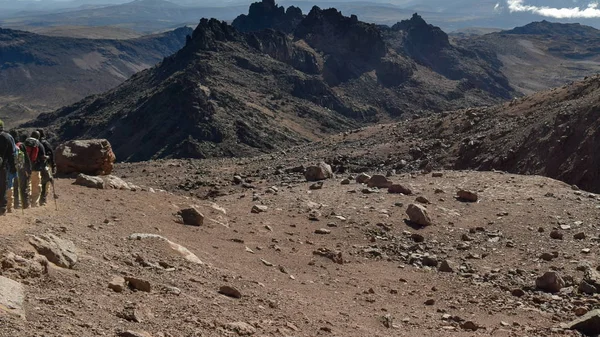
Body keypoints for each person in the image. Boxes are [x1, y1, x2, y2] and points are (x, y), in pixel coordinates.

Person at [11, 131, 32, 210]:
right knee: (23, 187)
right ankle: (25, 204)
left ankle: (16, 204)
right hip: (21, 169)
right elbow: (26, 158)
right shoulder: (21, 145)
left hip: (13, 169)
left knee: (15, 187)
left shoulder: (10, 145)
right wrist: (28, 170)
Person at [0, 120, 17, 216]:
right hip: (3, 167)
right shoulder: (7, 137)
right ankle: (2, 208)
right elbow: (12, 154)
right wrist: (13, 166)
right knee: (3, 187)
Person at [25, 131, 45, 208]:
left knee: (28, 185)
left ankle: (27, 202)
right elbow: (43, 156)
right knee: (36, 186)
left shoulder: (25, 143)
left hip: (26, 168)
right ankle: (34, 203)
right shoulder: (39, 144)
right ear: (38, 137)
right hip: (36, 168)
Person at [37, 129, 55, 206]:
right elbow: (51, 154)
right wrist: (53, 164)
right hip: (45, 165)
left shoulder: (34, 143)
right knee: (45, 182)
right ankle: (43, 199)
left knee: (36, 182)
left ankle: (35, 199)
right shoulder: (45, 143)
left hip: (35, 165)